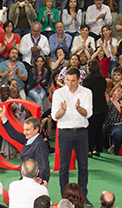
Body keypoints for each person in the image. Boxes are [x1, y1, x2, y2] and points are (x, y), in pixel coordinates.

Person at [51, 68, 93, 205]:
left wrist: (78, 108)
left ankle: (83, 197)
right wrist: (62, 110)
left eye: (72, 80)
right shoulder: (58, 93)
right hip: (65, 132)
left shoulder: (87, 92)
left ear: (79, 80)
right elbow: (54, 116)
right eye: (67, 80)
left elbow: (88, 114)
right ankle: (65, 197)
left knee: (83, 166)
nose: (69, 83)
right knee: (63, 167)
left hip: (81, 132)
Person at [0, 105, 49, 182]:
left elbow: (44, 167)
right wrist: (3, 117)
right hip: (26, 179)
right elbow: (14, 134)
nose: (25, 132)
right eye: (24, 129)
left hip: (33, 182)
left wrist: (42, 182)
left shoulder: (39, 145)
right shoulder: (30, 139)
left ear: (36, 129)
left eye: (27, 130)